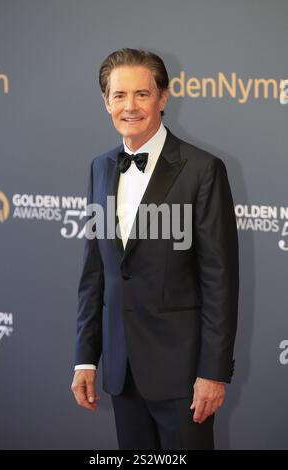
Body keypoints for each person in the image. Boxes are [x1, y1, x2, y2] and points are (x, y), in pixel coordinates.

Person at [71, 48, 239, 450]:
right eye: (119, 95)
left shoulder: (202, 170)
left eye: (142, 94)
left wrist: (213, 372)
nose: (130, 106)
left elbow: (220, 280)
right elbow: (95, 271)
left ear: (163, 98)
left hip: (184, 377)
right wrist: (86, 357)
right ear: (106, 102)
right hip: (122, 372)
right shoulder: (99, 167)